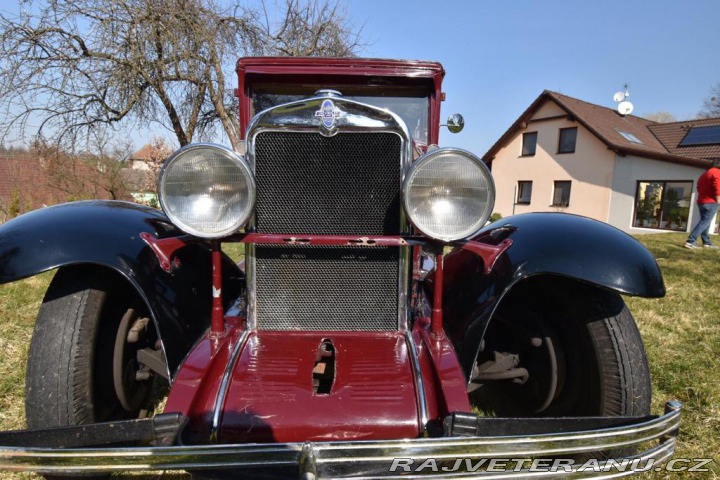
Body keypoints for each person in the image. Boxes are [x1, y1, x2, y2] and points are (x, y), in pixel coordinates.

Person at [684, 158, 720, 249]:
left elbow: (698, 187)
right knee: (705, 222)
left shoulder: (704, 174)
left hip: (701, 201)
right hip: (711, 202)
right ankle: (691, 241)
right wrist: (719, 200)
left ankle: (706, 242)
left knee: (705, 222)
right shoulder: (716, 172)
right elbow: (717, 186)